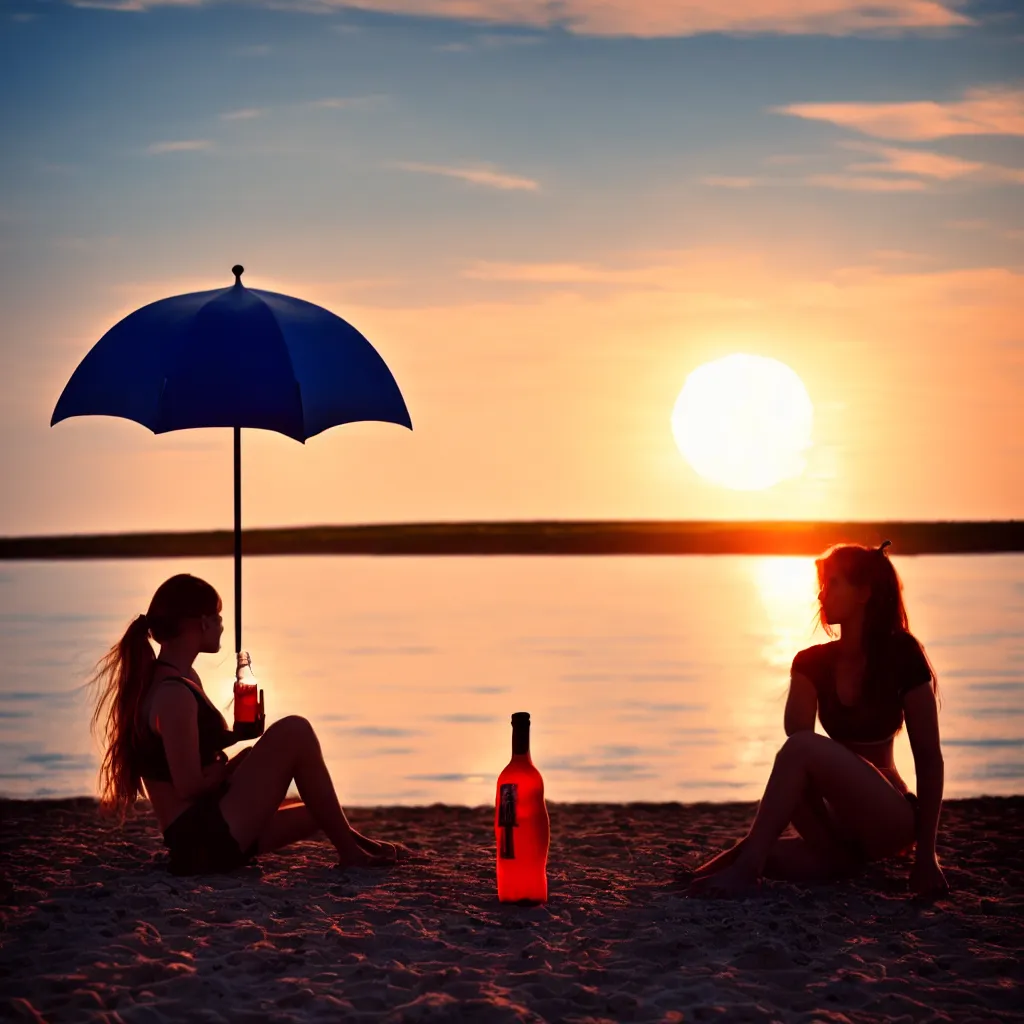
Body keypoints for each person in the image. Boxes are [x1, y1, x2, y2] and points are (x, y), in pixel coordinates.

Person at [89, 573, 402, 875]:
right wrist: (233, 766)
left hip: (214, 825)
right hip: (200, 839)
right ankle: (352, 855)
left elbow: (188, 748)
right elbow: (188, 786)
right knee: (295, 729)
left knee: (318, 812)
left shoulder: (179, 679)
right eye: (219, 615)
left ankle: (361, 847)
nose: (222, 624)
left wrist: (236, 737)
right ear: (202, 622)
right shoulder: (173, 694)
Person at [688, 540, 949, 899]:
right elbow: (798, 757)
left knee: (799, 751)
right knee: (771, 855)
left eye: (833, 584)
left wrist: (927, 857)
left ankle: (747, 870)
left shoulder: (902, 655)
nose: (822, 596)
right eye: (822, 586)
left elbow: (929, 758)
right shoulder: (811, 663)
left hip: (889, 819)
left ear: (864, 593)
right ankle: (769, 861)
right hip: (835, 826)